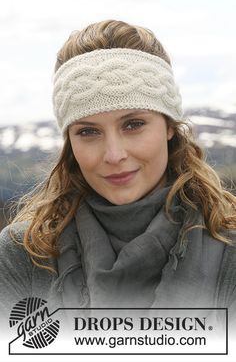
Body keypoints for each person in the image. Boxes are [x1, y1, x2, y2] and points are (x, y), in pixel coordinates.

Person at [0, 20, 236, 325]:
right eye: (88, 131)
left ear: (168, 127)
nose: (114, 155)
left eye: (133, 124)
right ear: (69, 142)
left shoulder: (228, 248)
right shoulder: (23, 255)